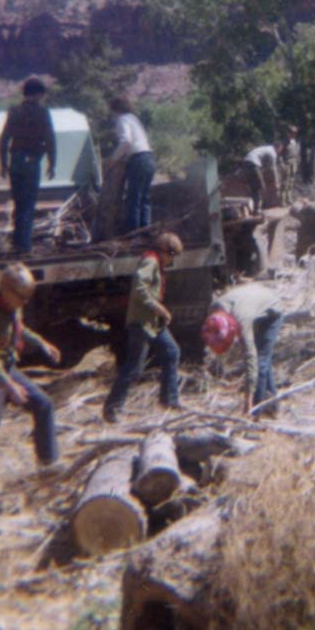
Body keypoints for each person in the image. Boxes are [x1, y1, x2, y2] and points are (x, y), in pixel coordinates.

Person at [0, 262, 61, 505]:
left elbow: (20, 330)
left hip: (8, 370)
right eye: (21, 297)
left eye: (27, 297)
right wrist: (9, 386)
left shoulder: (12, 308)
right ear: (6, 290)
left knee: (44, 405)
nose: (25, 302)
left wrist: (42, 343)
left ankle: (48, 463)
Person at [103, 231, 183, 420]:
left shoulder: (156, 262)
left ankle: (169, 400)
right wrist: (158, 308)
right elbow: (139, 286)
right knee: (134, 368)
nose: (171, 262)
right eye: (171, 256)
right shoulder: (151, 262)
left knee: (172, 352)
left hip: (154, 323)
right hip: (142, 322)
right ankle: (112, 409)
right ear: (164, 251)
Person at [201, 281, 285, 415]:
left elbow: (251, 359)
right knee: (264, 359)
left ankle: (256, 411)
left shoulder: (242, 320)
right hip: (253, 303)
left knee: (260, 361)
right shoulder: (213, 311)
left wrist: (248, 401)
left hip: (272, 311)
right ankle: (272, 407)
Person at [0, 77, 56, 255]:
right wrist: (52, 162)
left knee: (18, 202)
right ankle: (24, 246)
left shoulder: (14, 111)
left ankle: (17, 242)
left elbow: (4, 139)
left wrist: (3, 163)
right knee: (28, 203)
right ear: (39, 94)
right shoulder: (42, 112)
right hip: (32, 161)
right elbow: (49, 139)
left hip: (15, 160)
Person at [109, 95, 156, 236]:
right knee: (144, 197)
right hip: (149, 158)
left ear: (115, 109)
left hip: (138, 159)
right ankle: (145, 230)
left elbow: (126, 141)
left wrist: (113, 159)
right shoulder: (134, 119)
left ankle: (133, 233)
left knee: (133, 197)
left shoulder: (122, 119)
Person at [242, 142, 280, 214]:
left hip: (246, 162)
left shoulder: (266, 148)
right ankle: (257, 209)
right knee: (260, 187)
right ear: (278, 148)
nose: (279, 153)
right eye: (280, 150)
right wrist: (276, 181)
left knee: (253, 188)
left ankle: (253, 208)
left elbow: (264, 166)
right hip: (253, 164)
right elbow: (273, 168)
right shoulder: (273, 152)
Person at [278, 126, 300, 205]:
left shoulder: (294, 141)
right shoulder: (284, 142)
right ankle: (282, 201)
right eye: (292, 132)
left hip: (294, 163)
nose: (293, 134)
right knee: (285, 183)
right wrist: (282, 164)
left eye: (295, 133)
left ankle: (289, 199)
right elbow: (279, 154)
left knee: (291, 182)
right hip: (286, 163)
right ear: (288, 133)